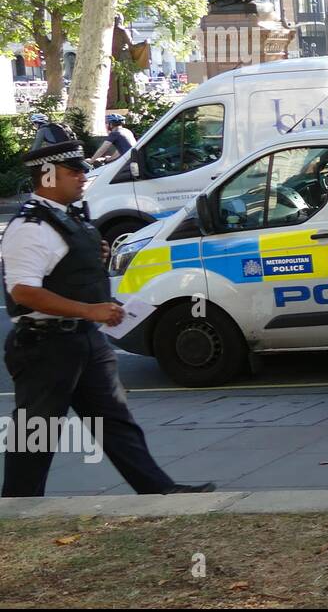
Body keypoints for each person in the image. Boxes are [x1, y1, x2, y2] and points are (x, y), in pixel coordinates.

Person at [1, 142, 214, 497]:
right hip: (45, 346)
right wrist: (89, 310)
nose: (84, 177)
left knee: (115, 421)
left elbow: (71, 276)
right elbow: (24, 292)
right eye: (74, 172)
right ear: (48, 176)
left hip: (84, 340)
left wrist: (104, 304)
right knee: (35, 432)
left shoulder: (67, 216)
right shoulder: (31, 226)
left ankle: (160, 492)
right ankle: (16, 507)